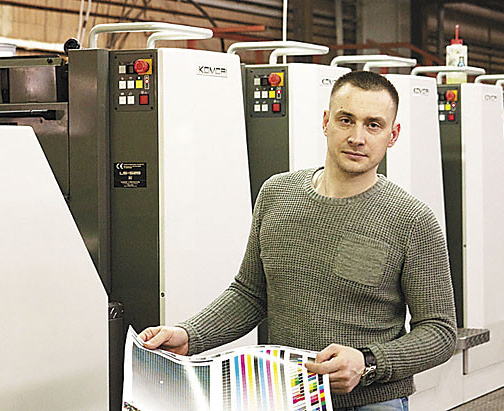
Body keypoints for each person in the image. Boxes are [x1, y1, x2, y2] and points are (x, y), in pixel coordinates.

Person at [139, 70, 457, 410]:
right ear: (326, 122)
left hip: (371, 402)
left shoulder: (411, 220)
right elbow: (250, 293)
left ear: (392, 135)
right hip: (287, 396)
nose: (357, 137)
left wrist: (368, 362)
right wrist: (190, 335)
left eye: (373, 125)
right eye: (346, 120)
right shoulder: (277, 194)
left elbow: (439, 331)